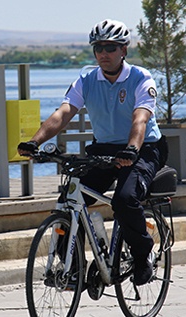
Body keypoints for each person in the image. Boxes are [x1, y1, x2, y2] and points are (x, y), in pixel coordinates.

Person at [17, 19, 166, 286]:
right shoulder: (86, 79)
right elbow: (63, 114)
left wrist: (132, 149)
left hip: (143, 148)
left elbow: (140, 119)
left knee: (124, 199)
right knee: (69, 199)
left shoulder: (140, 78)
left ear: (124, 51)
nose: (103, 54)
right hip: (104, 148)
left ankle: (143, 256)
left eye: (110, 47)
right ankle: (72, 267)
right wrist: (34, 142)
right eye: (98, 48)